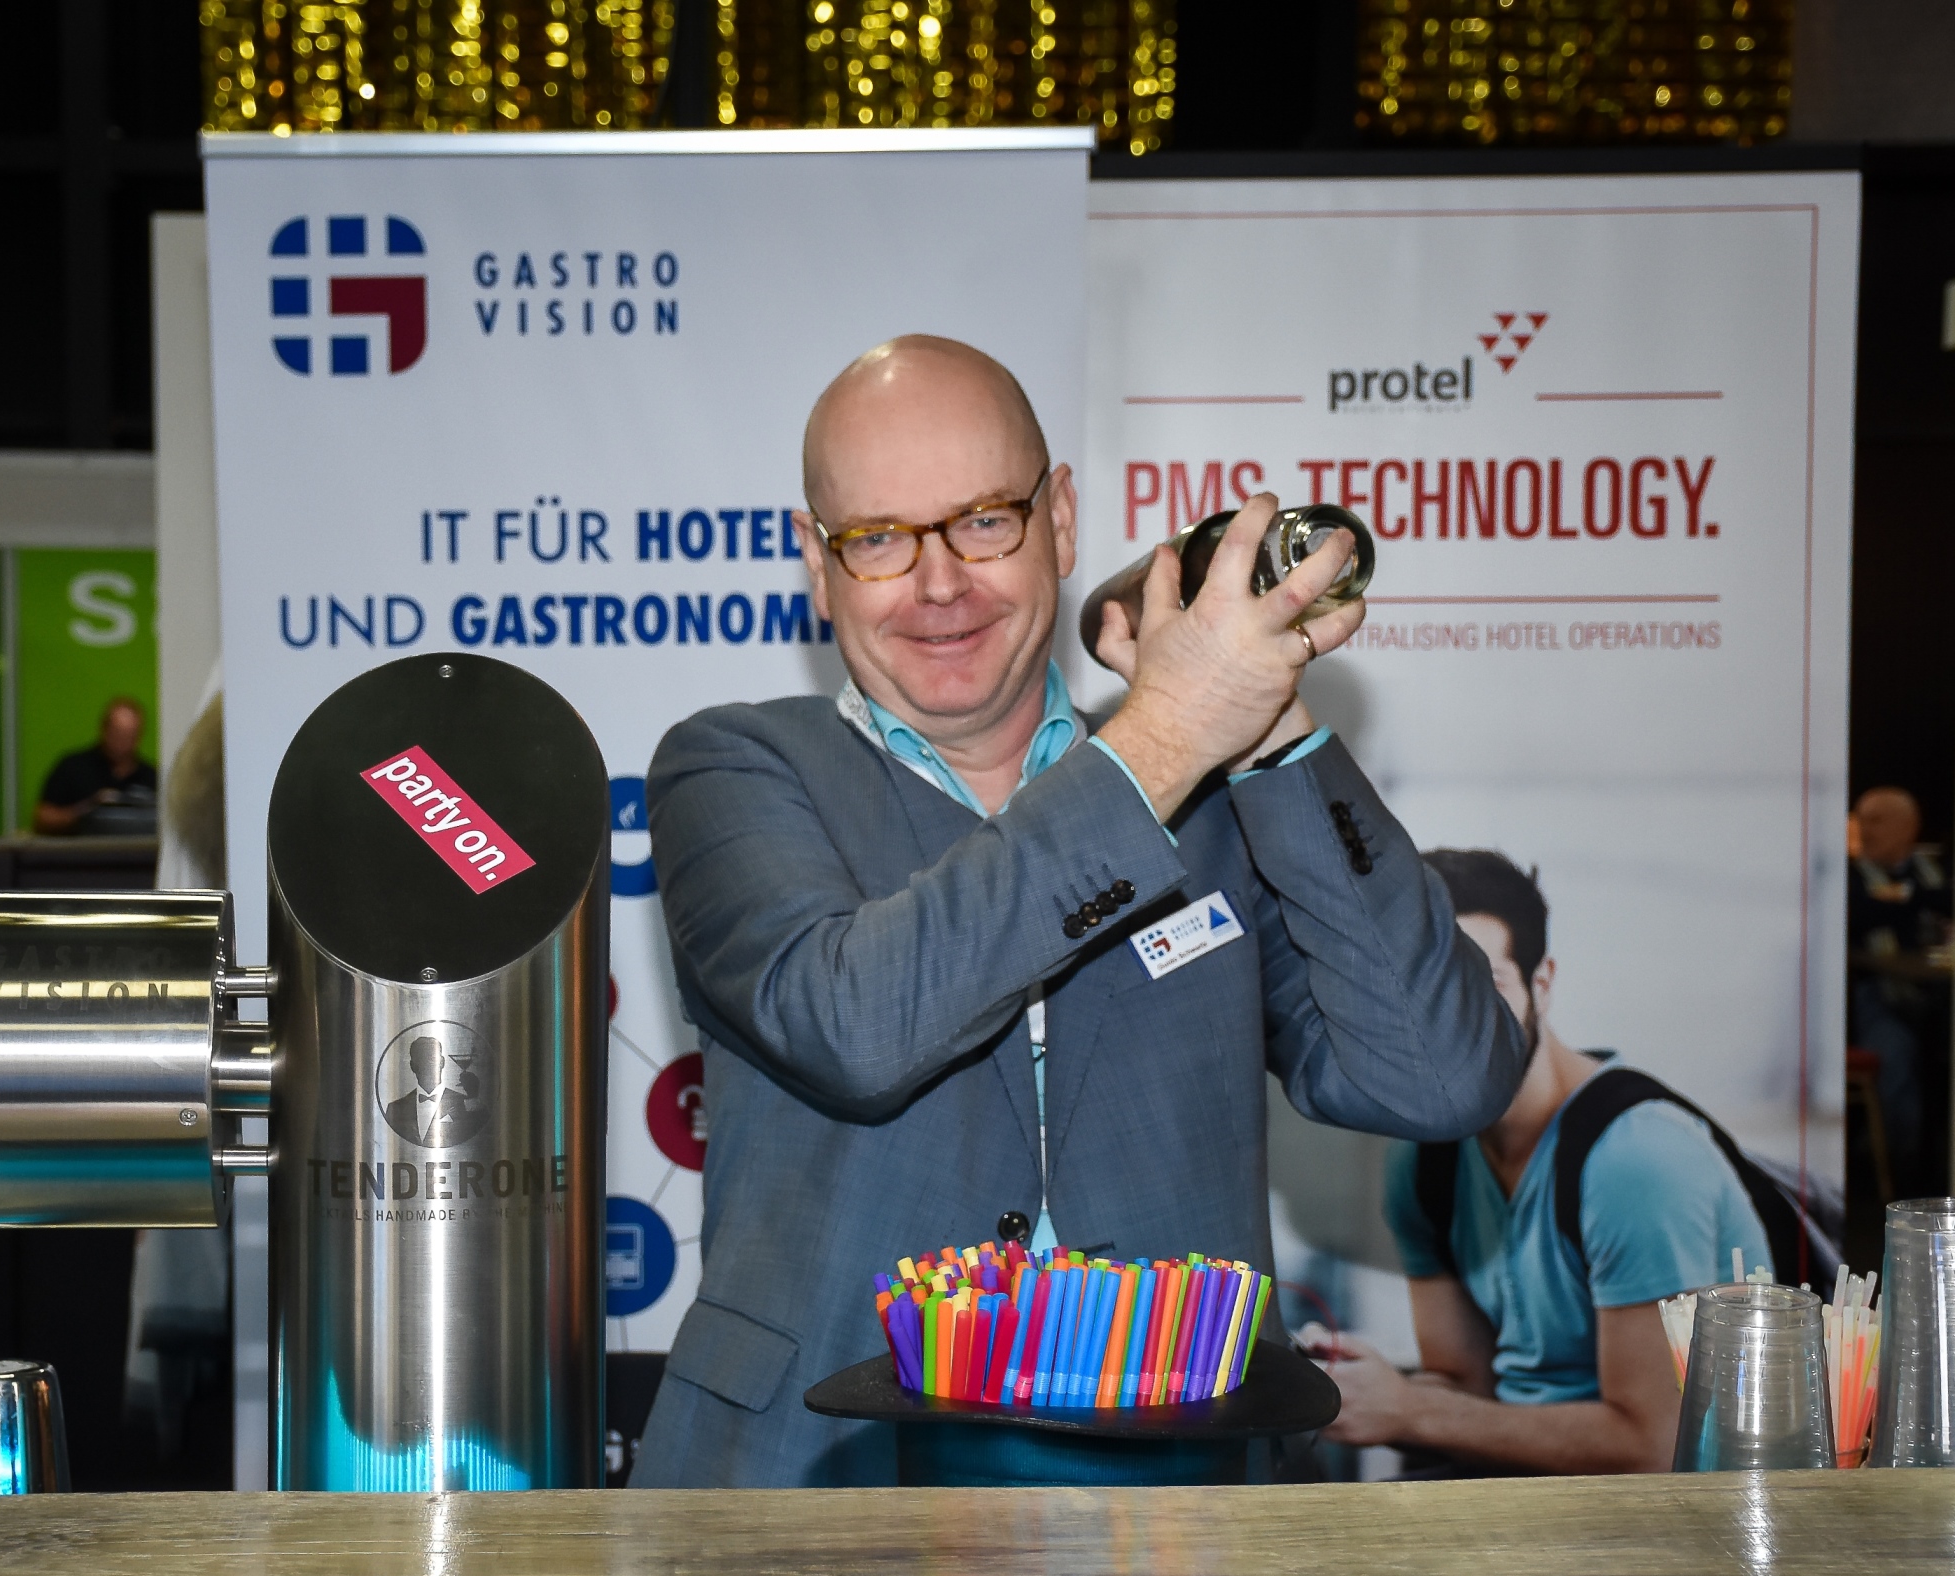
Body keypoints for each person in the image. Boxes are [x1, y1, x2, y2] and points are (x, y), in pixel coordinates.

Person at [629, 335, 1525, 1488]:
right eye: (880, 538)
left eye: (983, 521)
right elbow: (855, 1025)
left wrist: (1267, 728)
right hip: (825, 1479)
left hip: (1181, 1493)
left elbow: (1438, 1077)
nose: (939, 583)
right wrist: (1168, 735)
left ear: (1059, 520)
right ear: (818, 561)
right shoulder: (736, 768)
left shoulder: (1214, 791)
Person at [1318, 850, 1771, 1476]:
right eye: (1419, 992)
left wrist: (1411, 1412)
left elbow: (1653, 1446)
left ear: (1543, 983)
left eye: (1485, 985)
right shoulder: (1424, 1166)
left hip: (1677, 1507)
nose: (1451, 1023)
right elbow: (1467, 1387)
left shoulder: (1635, 1159)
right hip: (1518, 1484)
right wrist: (1364, 1390)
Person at [1846, 785, 1953, 1186]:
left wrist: (1906, 899)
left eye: (1876, 821)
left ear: (1908, 827)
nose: (1865, 830)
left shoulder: (1936, 868)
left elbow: (1954, 901)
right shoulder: (1849, 875)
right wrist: (1918, 900)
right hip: (1877, 991)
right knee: (1894, 1059)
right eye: (1861, 820)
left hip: (1940, 992)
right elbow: (1862, 913)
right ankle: (1897, 1180)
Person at [35, 696, 158, 835]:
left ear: (140, 735)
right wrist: (87, 810)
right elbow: (42, 819)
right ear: (103, 729)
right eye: (117, 733)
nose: (122, 742)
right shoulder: (73, 768)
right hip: (82, 848)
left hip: (138, 848)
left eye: (129, 735)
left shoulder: (152, 777)